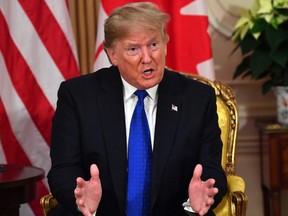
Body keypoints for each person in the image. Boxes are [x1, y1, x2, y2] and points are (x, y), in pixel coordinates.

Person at [47, 2, 227, 216]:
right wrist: (79, 199)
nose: (147, 58)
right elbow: (63, 169)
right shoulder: (78, 96)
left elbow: (211, 168)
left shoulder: (196, 97)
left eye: (153, 44)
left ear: (166, 43)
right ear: (113, 55)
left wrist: (193, 202)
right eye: (134, 49)